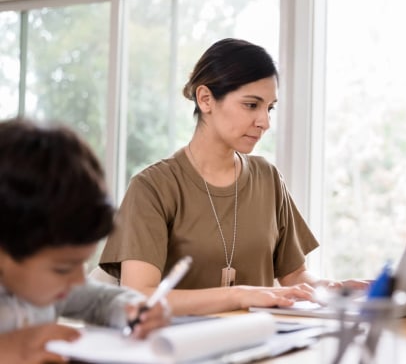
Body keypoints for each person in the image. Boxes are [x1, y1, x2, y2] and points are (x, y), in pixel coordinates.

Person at [99, 38, 368, 316]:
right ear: (205, 99)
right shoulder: (153, 187)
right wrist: (240, 295)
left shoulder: (268, 178)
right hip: (179, 350)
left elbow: (295, 277)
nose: (264, 121)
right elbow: (139, 297)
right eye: (252, 105)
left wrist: (331, 288)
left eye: (270, 107)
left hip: (264, 344)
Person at [0, 118, 169, 364]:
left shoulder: (52, 284)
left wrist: (136, 310)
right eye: (63, 268)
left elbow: (100, 299)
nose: (79, 279)